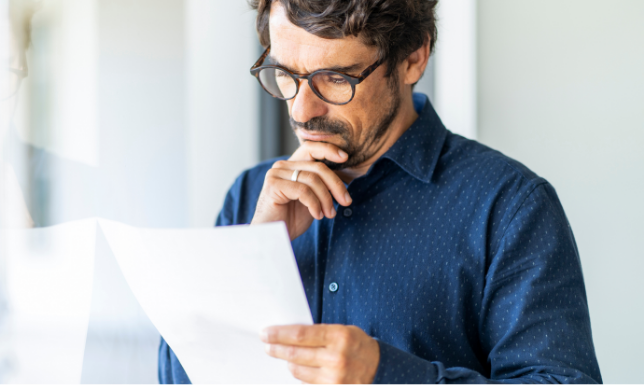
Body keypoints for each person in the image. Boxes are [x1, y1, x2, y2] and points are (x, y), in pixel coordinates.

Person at [159, 0, 603, 384]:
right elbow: (175, 376)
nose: (300, 109)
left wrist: (384, 375)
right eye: (284, 73)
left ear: (413, 57)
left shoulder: (510, 207)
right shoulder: (251, 195)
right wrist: (252, 250)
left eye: (334, 78)